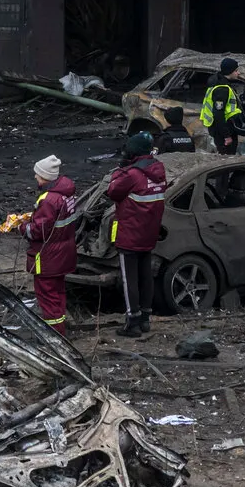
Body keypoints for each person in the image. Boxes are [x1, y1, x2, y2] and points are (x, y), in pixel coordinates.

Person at [106, 133, 165, 337]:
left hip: (130, 234)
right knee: (145, 275)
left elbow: (113, 191)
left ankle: (132, 322)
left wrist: (119, 170)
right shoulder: (158, 170)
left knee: (129, 279)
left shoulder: (131, 175)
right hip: (149, 233)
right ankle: (145, 318)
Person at [23, 156, 78, 331]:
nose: (35, 177)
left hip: (48, 257)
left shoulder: (48, 200)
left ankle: (55, 336)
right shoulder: (67, 194)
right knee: (58, 293)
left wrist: (23, 227)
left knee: (47, 297)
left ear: (45, 176)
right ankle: (60, 325)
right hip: (63, 254)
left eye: (37, 174)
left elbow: (39, 232)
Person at [199, 57, 245, 156]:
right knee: (227, 160)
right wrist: (227, 136)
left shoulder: (222, 84)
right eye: (236, 70)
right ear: (229, 71)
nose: (238, 73)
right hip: (223, 132)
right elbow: (218, 114)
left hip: (225, 129)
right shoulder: (222, 89)